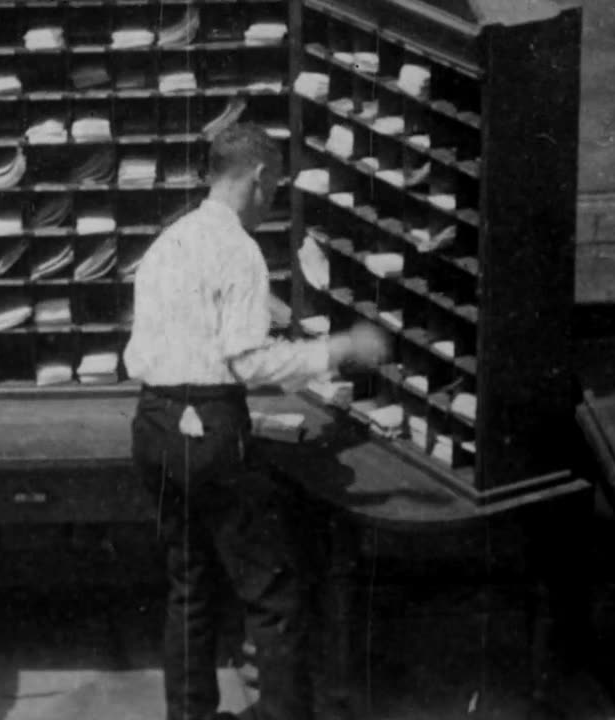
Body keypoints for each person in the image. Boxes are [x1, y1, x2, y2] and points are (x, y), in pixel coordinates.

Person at [124, 122, 388, 720]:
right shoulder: (240, 250)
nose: (271, 203)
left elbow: (180, 336)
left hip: (154, 425)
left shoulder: (170, 240)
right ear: (260, 178)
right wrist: (340, 349)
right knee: (273, 595)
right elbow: (246, 363)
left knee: (188, 587)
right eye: (273, 189)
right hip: (212, 432)